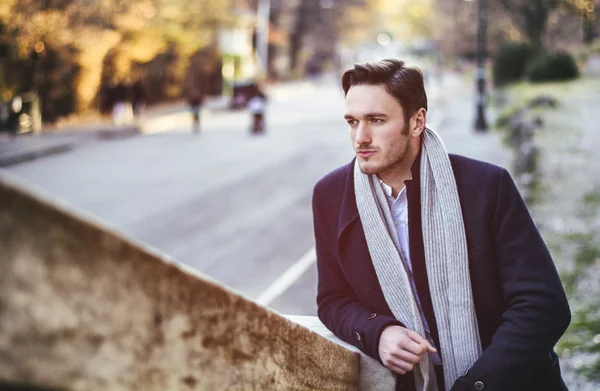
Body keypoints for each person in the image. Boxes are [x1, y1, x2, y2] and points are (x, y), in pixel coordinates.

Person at [312, 59, 571, 391]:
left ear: (417, 121)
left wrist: (477, 385)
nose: (360, 137)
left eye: (376, 120)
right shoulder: (331, 195)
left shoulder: (485, 186)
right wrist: (379, 332)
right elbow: (333, 299)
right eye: (352, 121)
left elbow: (542, 306)